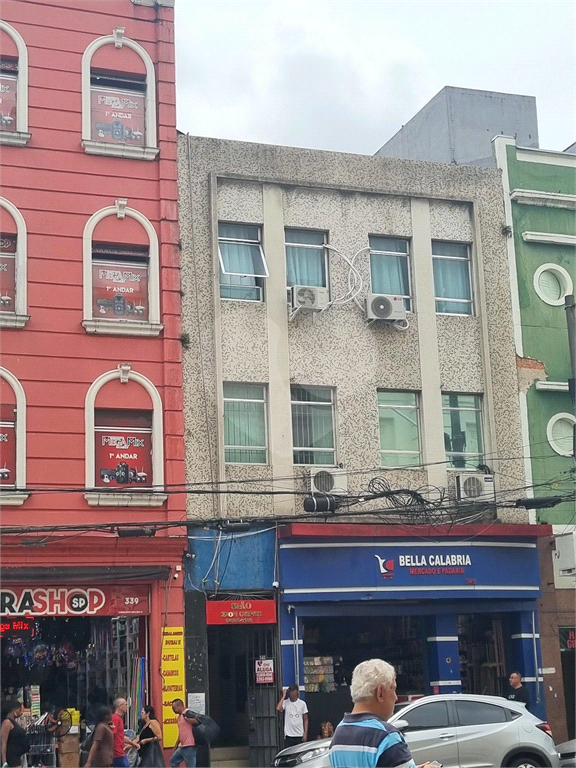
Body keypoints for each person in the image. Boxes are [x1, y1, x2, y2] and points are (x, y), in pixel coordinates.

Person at [329, 659, 437, 768]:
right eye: (393, 689)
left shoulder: (338, 735)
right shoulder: (386, 736)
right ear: (380, 693)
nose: (396, 697)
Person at [169, 699, 198, 768]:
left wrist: (192, 720)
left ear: (179, 706)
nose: (173, 710)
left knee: (191, 765)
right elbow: (181, 732)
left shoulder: (188, 713)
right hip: (182, 746)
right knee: (173, 761)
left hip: (190, 745)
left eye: (174, 708)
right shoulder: (179, 717)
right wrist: (176, 743)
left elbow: (198, 721)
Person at [111, 698, 140, 768]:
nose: (127, 707)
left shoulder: (118, 718)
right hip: (117, 752)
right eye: (125, 704)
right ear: (120, 706)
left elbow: (121, 736)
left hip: (120, 752)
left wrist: (132, 743)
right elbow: (112, 735)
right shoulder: (115, 718)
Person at [1, 700, 29, 768]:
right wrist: (4, 761)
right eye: (20, 710)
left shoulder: (14, 722)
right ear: (14, 710)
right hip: (11, 758)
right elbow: (3, 742)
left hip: (17, 756)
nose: (21, 712)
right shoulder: (7, 723)